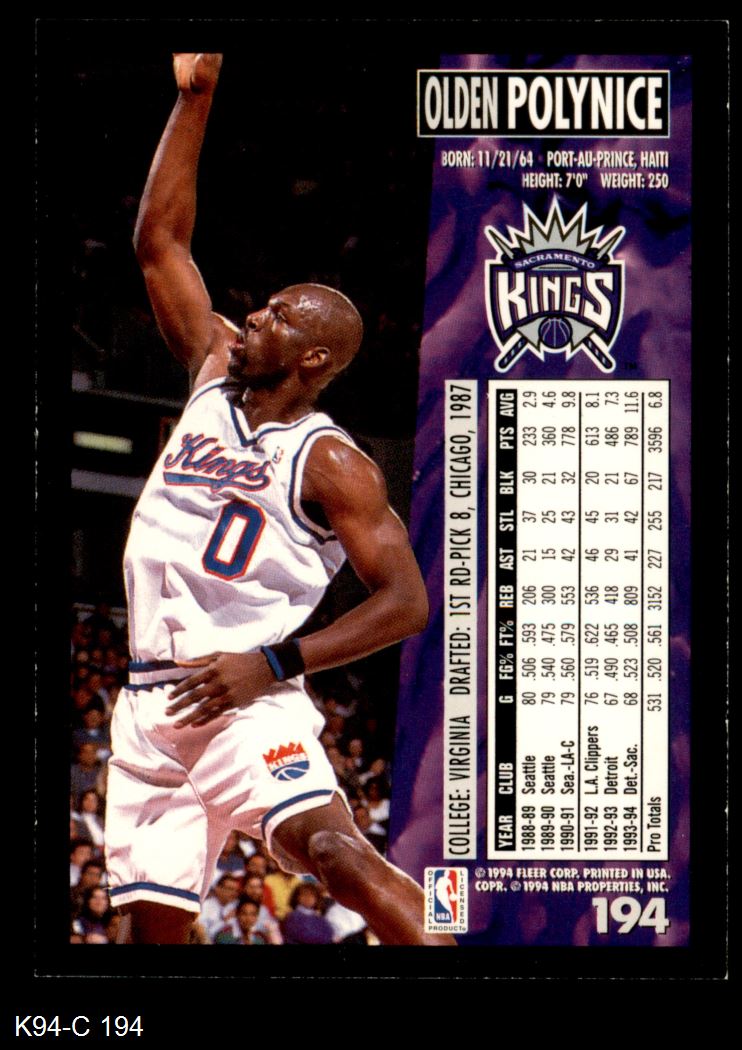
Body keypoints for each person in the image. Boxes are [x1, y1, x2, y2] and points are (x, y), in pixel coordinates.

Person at [104, 52, 454, 947]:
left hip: (244, 701)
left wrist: (275, 663)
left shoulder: (331, 461)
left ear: (314, 359)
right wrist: (196, 99)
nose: (259, 315)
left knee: (335, 853)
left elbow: (408, 602)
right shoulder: (211, 372)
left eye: (283, 316)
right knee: (149, 937)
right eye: (265, 306)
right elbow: (160, 243)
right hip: (146, 711)